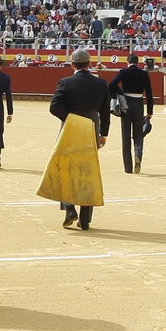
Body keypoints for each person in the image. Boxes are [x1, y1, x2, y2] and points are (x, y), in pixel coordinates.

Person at [49, 49, 110, 229]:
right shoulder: (100, 83)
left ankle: (69, 208)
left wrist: (71, 120)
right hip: (92, 127)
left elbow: (54, 107)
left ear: (72, 64)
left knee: (65, 169)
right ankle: (85, 219)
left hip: (70, 129)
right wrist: (103, 134)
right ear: (90, 64)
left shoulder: (65, 82)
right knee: (87, 172)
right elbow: (105, 111)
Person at [107, 53, 154, 173]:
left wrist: (118, 92)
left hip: (125, 104)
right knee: (138, 134)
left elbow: (111, 85)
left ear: (127, 62)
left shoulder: (124, 72)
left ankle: (128, 167)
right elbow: (149, 94)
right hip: (138, 103)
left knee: (126, 135)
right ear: (137, 63)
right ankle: (138, 154)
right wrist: (149, 111)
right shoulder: (144, 73)